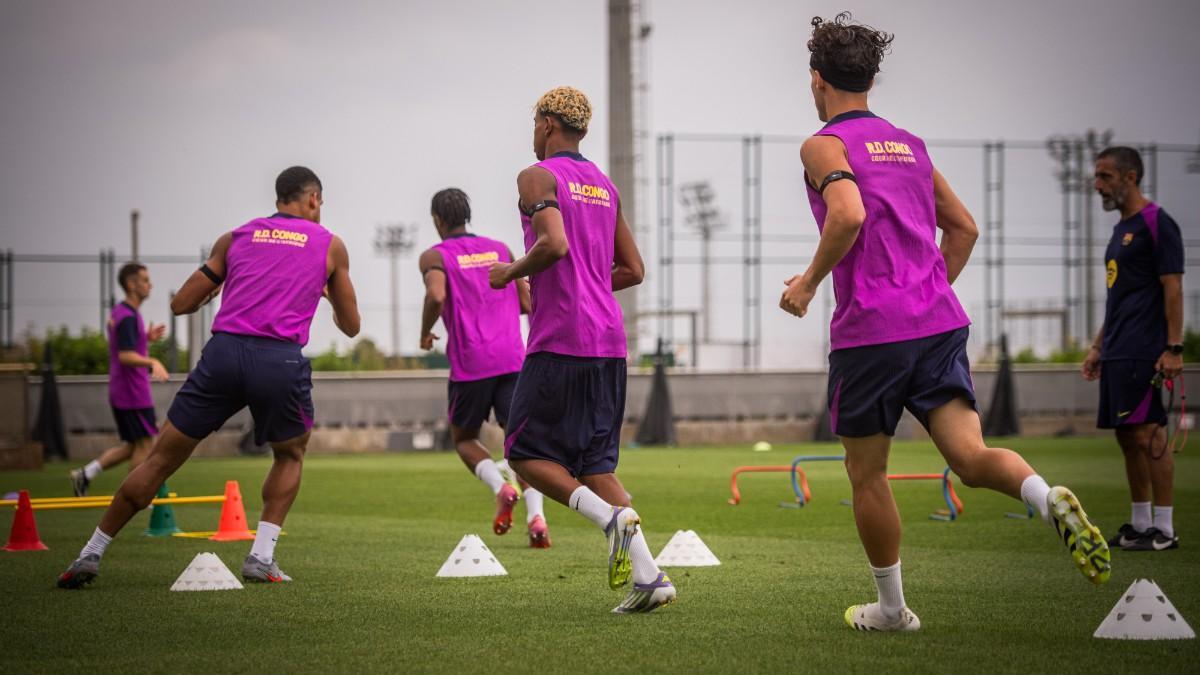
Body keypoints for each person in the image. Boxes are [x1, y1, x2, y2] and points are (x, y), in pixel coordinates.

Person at [780, 13, 1111, 631]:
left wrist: (807, 284)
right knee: (972, 456)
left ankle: (893, 611)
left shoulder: (823, 144)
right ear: (871, 79)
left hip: (872, 335)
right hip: (937, 326)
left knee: (867, 474)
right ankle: (1047, 497)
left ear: (817, 79)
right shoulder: (909, 144)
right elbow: (965, 228)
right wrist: (923, 290)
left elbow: (847, 214)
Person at [58, 166, 360, 588]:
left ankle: (90, 554)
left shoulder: (234, 237)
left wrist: (215, 289)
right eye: (320, 204)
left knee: (161, 457)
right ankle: (261, 556)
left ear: (278, 199)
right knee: (290, 454)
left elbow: (182, 303)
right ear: (313, 200)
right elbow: (351, 326)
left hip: (224, 354)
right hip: (279, 361)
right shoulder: (330, 246)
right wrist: (327, 295)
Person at [488, 86, 673, 613]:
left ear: (547, 124)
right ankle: (650, 576)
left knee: (521, 454)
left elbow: (553, 244)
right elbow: (633, 270)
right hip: (610, 343)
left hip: (561, 339)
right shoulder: (603, 184)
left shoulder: (536, 176)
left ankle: (608, 519)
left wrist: (510, 272)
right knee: (596, 464)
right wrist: (590, 282)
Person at [419, 187, 550, 547]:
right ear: (467, 215)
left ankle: (500, 487)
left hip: (471, 366)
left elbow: (436, 295)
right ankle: (537, 518)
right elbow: (527, 300)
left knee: (464, 438)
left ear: (438, 220)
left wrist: (426, 330)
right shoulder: (500, 250)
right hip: (512, 359)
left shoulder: (435, 255)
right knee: (522, 445)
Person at [1082, 146, 1185, 551]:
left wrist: (1173, 347)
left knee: (1149, 433)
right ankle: (1141, 523)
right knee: (1127, 437)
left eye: (1105, 177)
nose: (1097, 185)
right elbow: (1119, 296)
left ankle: (1165, 528)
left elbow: (1172, 287)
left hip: (1145, 348)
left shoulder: (1158, 224)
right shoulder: (1119, 231)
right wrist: (1097, 346)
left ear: (1131, 177)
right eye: (1097, 176)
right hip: (1118, 350)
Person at [70, 263, 169, 496]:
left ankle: (86, 474)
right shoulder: (127, 317)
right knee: (146, 445)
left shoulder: (122, 313)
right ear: (131, 284)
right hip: (132, 393)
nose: (150, 284)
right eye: (145, 280)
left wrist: (146, 338)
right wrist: (152, 361)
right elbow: (125, 355)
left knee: (133, 445)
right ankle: (134, 497)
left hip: (124, 390)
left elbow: (124, 345)